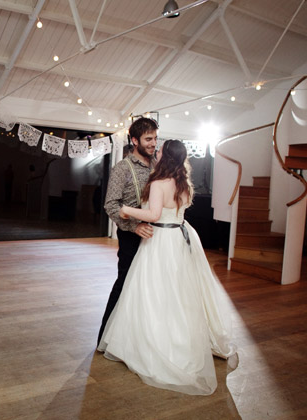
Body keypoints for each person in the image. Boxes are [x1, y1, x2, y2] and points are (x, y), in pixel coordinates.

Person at [97, 139, 236, 395]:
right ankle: (181, 338)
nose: (156, 152)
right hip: (179, 239)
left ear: (166, 157)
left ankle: (155, 343)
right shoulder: (184, 183)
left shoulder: (159, 183)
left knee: (153, 291)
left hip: (161, 240)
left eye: (159, 150)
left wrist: (125, 209)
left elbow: (153, 215)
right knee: (177, 293)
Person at [98, 117, 158, 344]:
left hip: (156, 237)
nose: (153, 143)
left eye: (155, 138)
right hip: (131, 237)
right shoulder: (122, 169)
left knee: (149, 286)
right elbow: (111, 205)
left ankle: (141, 338)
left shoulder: (157, 166)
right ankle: (106, 338)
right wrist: (135, 225)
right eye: (148, 139)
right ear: (135, 140)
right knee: (125, 283)